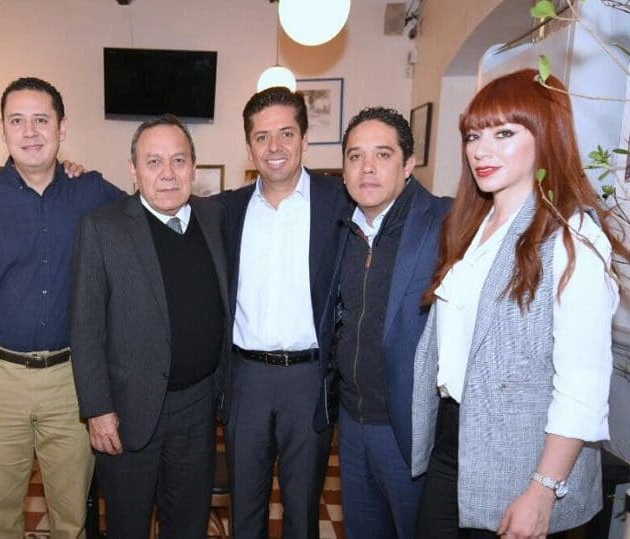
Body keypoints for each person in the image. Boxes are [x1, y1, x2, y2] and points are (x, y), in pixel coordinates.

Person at [411, 69, 627, 537]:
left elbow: (582, 385)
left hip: (523, 459)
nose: (481, 150)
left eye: (504, 133)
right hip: (455, 440)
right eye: (474, 136)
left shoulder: (572, 238)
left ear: (546, 135)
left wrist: (543, 490)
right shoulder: (475, 225)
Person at [0, 77, 123, 539]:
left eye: (41, 119)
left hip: (72, 381)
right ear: (2, 129)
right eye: (17, 120)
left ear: (62, 128)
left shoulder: (92, 192)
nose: (30, 131)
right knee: (1, 516)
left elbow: (145, 223)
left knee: (71, 516)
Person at [70, 115, 231, 538]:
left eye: (178, 160)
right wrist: (97, 409)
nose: (167, 173)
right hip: (127, 413)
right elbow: (86, 329)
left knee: (188, 525)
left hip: (198, 408)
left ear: (193, 168)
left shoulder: (214, 219)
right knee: (128, 526)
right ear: (134, 170)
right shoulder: (102, 227)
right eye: (154, 161)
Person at [218, 86, 350, 538]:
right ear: (249, 145)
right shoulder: (227, 209)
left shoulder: (340, 201)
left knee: (302, 509)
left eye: (286, 133)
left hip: (309, 381)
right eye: (262, 136)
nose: (274, 147)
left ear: (305, 139)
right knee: (245, 510)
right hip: (245, 380)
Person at [329, 107, 451, 538]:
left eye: (382, 154)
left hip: (407, 429)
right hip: (351, 422)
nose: (367, 167)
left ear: (408, 164)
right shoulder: (341, 228)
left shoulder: (445, 223)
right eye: (355, 156)